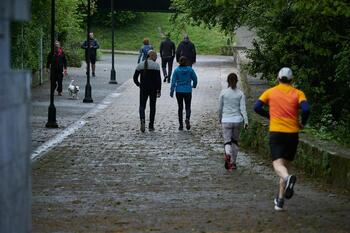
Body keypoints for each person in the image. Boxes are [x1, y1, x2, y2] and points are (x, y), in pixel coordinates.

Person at [254, 67, 310, 211]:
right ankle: (280, 200)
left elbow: (257, 107)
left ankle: (287, 179)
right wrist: (303, 123)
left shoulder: (270, 92)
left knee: (278, 166)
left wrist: (269, 116)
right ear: (292, 80)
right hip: (292, 134)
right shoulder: (298, 93)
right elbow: (306, 109)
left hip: (277, 132)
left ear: (278, 78)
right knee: (286, 167)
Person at [218, 73, 248, 171]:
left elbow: (220, 108)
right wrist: (246, 121)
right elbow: (243, 109)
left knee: (227, 141)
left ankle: (227, 154)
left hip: (226, 120)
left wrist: (220, 118)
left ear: (227, 81)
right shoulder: (240, 94)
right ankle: (233, 163)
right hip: (237, 120)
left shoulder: (223, 93)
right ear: (237, 81)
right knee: (235, 142)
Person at [133, 50, 162, 132]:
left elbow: (135, 78)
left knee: (142, 105)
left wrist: (139, 84)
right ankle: (151, 125)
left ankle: (142, 119)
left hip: (143, 88)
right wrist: (159, 90)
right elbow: (158, 80)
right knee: (152, 107)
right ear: (153, 57)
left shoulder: (140, 65)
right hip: (153, 89)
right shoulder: (156, 66)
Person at [170, 56, 197, 130]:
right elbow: (195, 78)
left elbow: (173, 82)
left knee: (180, 107)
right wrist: (194, 85)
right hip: (188, 90)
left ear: (179, 62)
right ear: (187, 62)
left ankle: (181, 125)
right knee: (188, 106)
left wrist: (172, 91)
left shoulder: (176, 70)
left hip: (179, 90)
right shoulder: (190, 70)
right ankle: (187, 118)